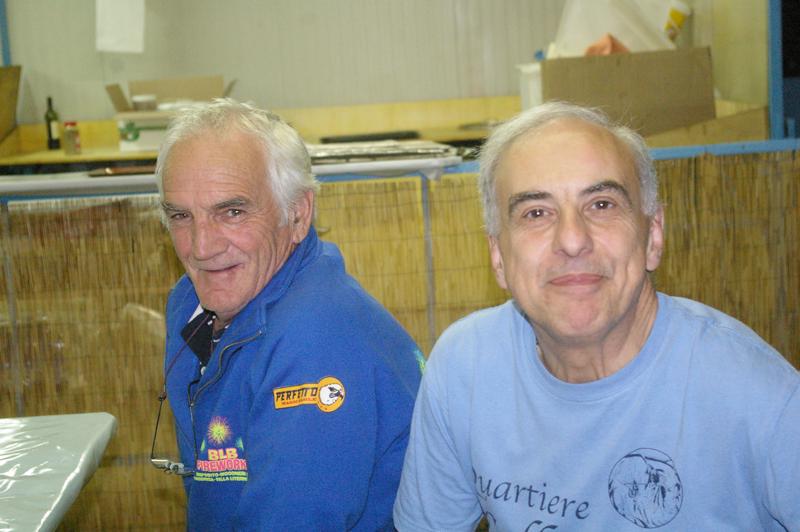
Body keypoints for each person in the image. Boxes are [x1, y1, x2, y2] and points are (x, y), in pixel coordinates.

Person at [393, 102, 800, 531]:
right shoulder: (465, 369)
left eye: (602, 204)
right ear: (498, 257)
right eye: (536, 213)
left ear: (653, 235)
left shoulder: (761, 399)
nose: (572, 240)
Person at [154, 98, 423, 530]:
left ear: (297, 215)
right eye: (181, 216)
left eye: (232, 212)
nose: (201, 246)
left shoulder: (315, 340)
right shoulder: (192, 303)